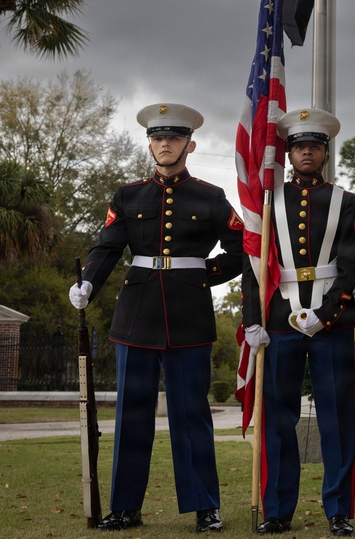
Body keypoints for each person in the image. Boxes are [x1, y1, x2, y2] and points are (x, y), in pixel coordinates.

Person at [68, 103, 244, 533]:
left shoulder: (210, 196)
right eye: (157, 138)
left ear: (190, 144)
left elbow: (241, 250)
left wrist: (204, 274)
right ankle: (125, 507)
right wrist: (88, 281)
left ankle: (206, 506)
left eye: (173, 138)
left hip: (190, 315)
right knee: (131, 416)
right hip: (137, 317)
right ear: (149, 144)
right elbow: (107, 246)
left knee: (192, 415)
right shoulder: (127, 196)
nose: (164, 144)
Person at [242, 108, 355, 537]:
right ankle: (276, 510)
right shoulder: (267, 202)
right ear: (288, 153)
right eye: (300, 146)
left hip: (333, 323)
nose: (307, 152)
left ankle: (339, 511)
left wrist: (327, 314)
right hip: (279, 325)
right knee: (277, 420)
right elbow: (254, 265)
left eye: (315, 146)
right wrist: (253, 321)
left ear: (325, 152)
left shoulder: (344, 201)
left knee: (337, 421)